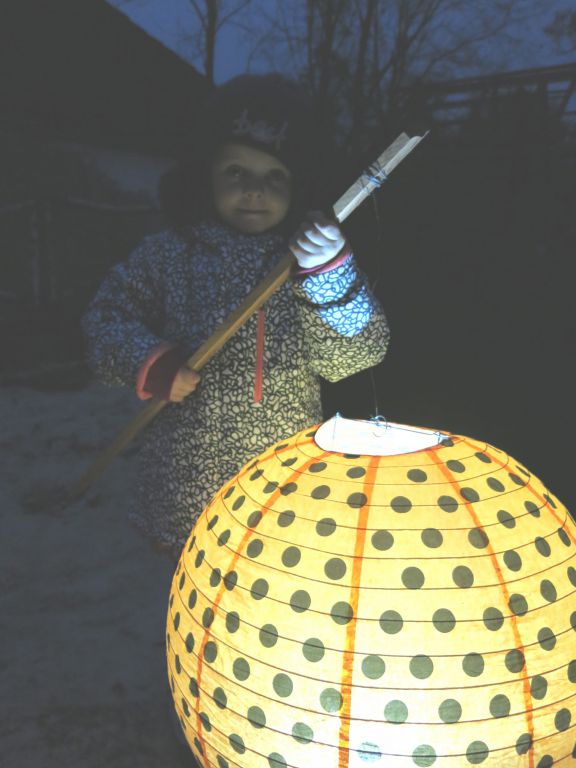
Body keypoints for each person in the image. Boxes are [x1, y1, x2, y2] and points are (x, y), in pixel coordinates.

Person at [82, 74, 390, 562]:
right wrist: (151, 363)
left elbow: (352, 356)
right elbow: (105, 319)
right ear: (204, 175)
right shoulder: (167, 255)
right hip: (185, 487)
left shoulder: (307, 262)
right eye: (235, 171)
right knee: (192, 589)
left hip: (282, 487)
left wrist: (329, 275)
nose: (254, 191)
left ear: (300, 184)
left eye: (274, 176)